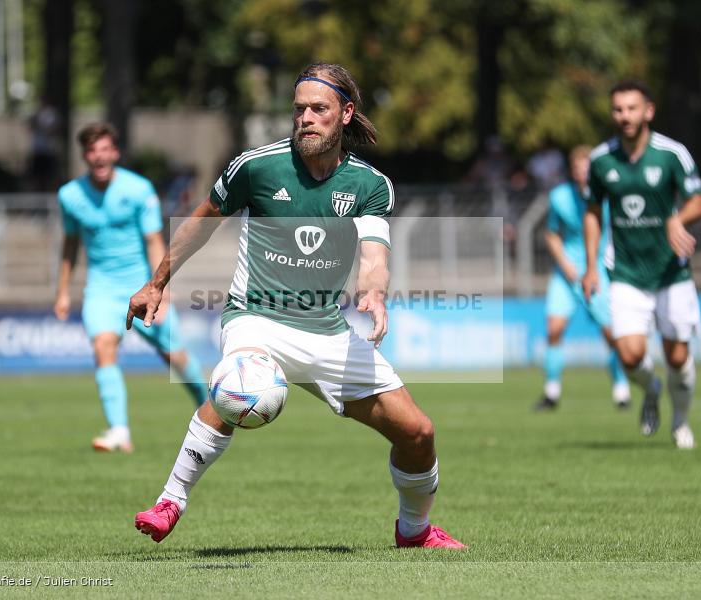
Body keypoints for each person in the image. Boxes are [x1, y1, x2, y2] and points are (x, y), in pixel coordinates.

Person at [126, 63, 466, 549]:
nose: (305, 117)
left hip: (326, 329)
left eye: (318, 109)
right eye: (299, 109)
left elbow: (374, 253)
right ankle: (170, 501)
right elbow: (202, 221)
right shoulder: (256, 167)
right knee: (239, 385)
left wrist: (374, 290)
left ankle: (413, 532)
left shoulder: (370, 185)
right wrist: (157, 282)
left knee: (418, 433)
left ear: (345, 114)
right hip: (255, 318)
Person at [54, 123, 206, 453]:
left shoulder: (138, 190)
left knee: (175, 356)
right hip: (102, 290)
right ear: (85, 156)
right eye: (93, 151)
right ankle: (119, 430)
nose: (100, 156)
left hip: (143, 285)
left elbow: (153, 240)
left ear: (116, 152)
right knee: (103, 346)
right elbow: (70, 244)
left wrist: (160, 288)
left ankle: (208, 407)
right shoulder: (70, 195)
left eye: (105, 149)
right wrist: (63, 290)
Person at [582, 81, 701, 450]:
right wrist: (591, 267)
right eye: (618, 109)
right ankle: (651, 388)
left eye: (632, 108)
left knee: (678, 357)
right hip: (625, 272)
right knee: (630, 353)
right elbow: (592, 212)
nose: (625, 116)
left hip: (672, 273)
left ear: (648, 111)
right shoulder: (601, 160)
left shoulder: (672, 154)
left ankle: (681, 423)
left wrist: (677, 219)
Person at [533, 145, 631, 411]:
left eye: (587, 167)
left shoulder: (609, 196)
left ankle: (621, 391)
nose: (583, 173)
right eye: (578, 168)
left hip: (598, 271)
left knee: (612, 334)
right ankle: (551, 393)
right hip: (568, 274)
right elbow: (552, 233)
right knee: (554, 330)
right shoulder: (559, 197)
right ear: (572, 171)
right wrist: (564, 263)